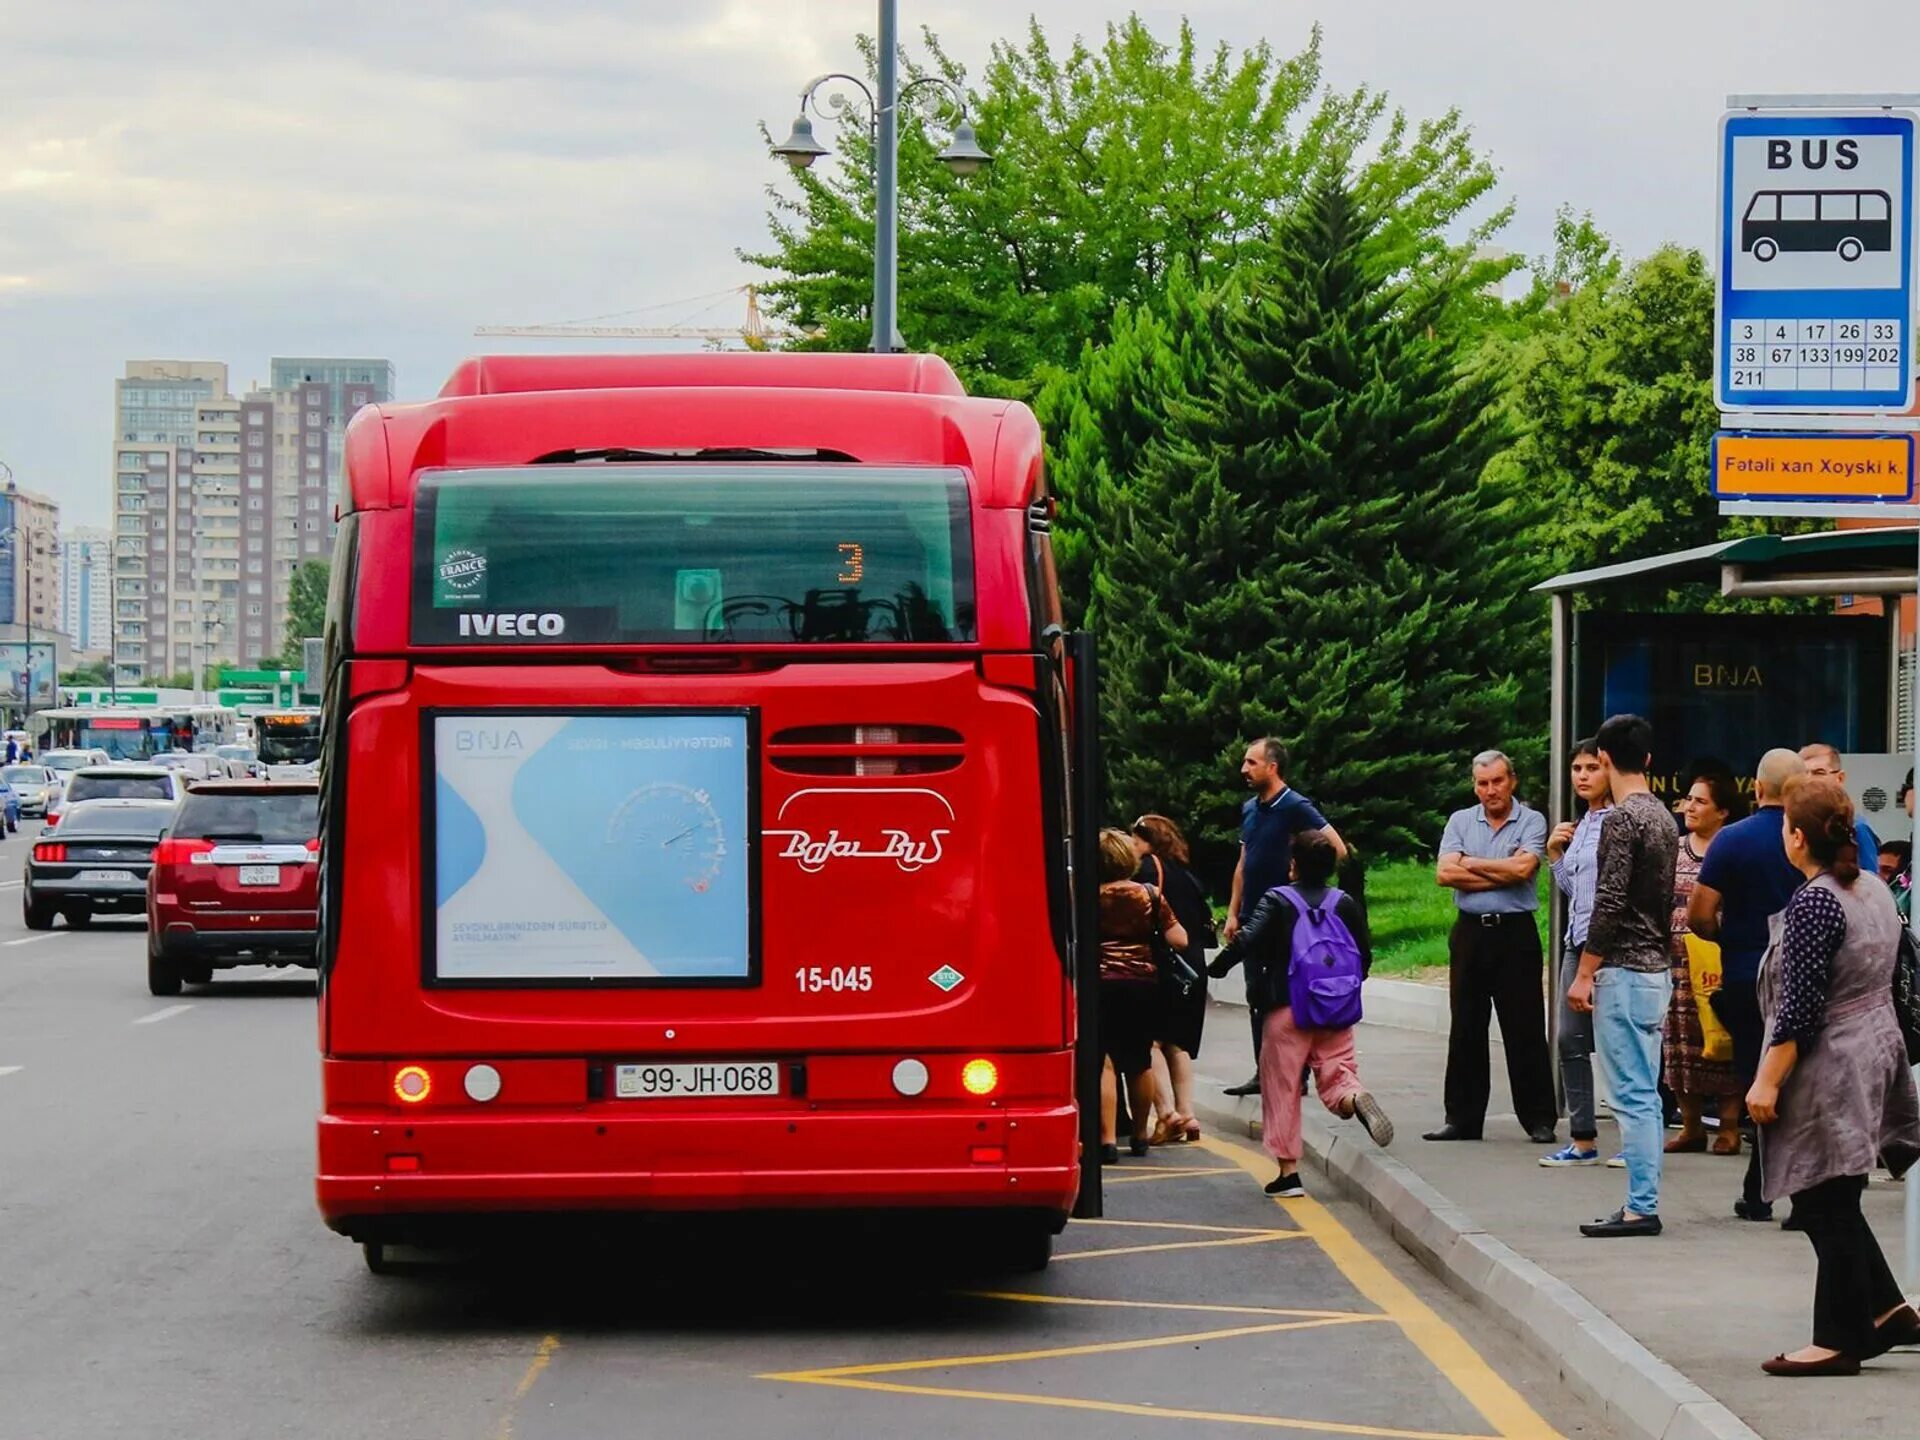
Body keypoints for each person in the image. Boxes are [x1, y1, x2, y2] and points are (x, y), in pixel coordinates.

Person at [1749, 777, 1920, 1376]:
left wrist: (1766, 1082)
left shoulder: (1815, 901)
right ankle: (1888, 1310)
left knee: (1823, 1198)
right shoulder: (1871, 887)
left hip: (1833, 1061)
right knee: (1838, 1193)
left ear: (1796, 837)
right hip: (1875, 1051)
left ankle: (1838, 1339)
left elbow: (1799, 1009)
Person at [1209, 830, 1392, 1195]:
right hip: (1335, 1006)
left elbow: (1246, 939)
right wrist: (1341, 990)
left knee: (1282, 1087)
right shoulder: (1345, 903)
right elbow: (1364, 955)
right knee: (1339, 1071)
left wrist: (1216, 968)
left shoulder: (1277, 900)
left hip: (1286, 1007)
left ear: (1293, 865)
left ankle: (1288, 1173)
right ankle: (1353, 1098)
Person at [1567, 714, 1678, 1238]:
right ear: (1650, 760)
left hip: (1622, 972)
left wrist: (1584, 973)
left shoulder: (1620, 820)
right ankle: (1643, 1199)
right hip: (1657, 971)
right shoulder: (1663, 817)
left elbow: (1607, 903)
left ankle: (1640, 1205)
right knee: (1648, 1096)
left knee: (1630, 1096)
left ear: (1605, 760)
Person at [1690, 748, 1807, 1223]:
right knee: (1798, 1083)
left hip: (1744, 975)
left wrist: (1732, 935)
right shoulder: (1811, 838)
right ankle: (1798, 1194)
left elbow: (1699, 914)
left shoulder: (1731, 840)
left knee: (1759, 1079)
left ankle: (1759, 1190)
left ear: (1756, 789)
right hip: (1804, 976)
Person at [1426, 749, 1557, 1144]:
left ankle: (1539, 1119)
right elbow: (1444, 874)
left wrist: (1469, 861)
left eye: (1497, 781)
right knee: (1466, 1026)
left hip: (1515, 934)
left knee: (1525, 1026)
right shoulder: (1460, 820)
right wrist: (1499, 872)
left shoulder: (1531, 820)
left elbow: (1524, 870)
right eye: (1482, 783)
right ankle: (1462, 1119)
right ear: (1475, 785)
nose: (1490, 790)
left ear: (1511, 781)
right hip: (1469, 933)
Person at [1221, 739, 1346, 1097]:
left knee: (1287, 996)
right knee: (1256, 995)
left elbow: (1336, 847)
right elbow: (1244, 864)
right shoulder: (1249, 809)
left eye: (1251, 762)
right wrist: (1233, 912)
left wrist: (1305, 882)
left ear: (1272, 767)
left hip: (1286, 916)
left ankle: (1295, 1073)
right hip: (1251, 916)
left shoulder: (1294, 805)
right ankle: (1264, 1072)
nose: (1244, 769)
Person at [1095, 827, 1188, 1164]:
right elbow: (1180, 940)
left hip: (1100, 983)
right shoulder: (1149, 894)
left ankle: (1106, 1139)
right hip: (1143, 985)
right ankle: (1139, 1134)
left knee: (1103, 1062)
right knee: (1139, 1061)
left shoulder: (1086, 896)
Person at [1665, 767, 1745, 1154]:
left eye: (1700, 801)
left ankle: (1729, 1125)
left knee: (1723, 1041)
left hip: (1719, 961)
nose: (1690, 807)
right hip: (1678, 965)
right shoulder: (1674, 849)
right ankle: (1691, 1124)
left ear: (1723, 811)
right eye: (1688, 799)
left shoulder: (1731, 849)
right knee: (1680, 1044)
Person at [1540, 738, 1611, 1166]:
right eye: (1577, 768)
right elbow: (1576, 890)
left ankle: (1637, 1141)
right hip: (1575, 939)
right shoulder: (1581, 824)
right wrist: (1554, 855)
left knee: (1617, 1043)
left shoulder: (1617, 821)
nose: (1582, 776)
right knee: (1569, 1038)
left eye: (1591, 768)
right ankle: (1582, 1137)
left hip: (1609, 944)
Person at [1131, 814, 1215, 1144]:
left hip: (1163, 963)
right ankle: (1189, 1114)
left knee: (1149, 1041)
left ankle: (1168, 1114)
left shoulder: (1148, 869)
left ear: (1149, 841)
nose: (1132, 847)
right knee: (1178, 1043)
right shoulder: (1186, 873)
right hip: (1192, 966)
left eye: (1135, 840)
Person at [1798, 744, 1880, 875]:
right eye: (1803, 774)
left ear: (1840, 778)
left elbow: (1870, 885)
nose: (1809, 780)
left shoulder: (1856, 828)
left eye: (1818, 773)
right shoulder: (1797, 826)